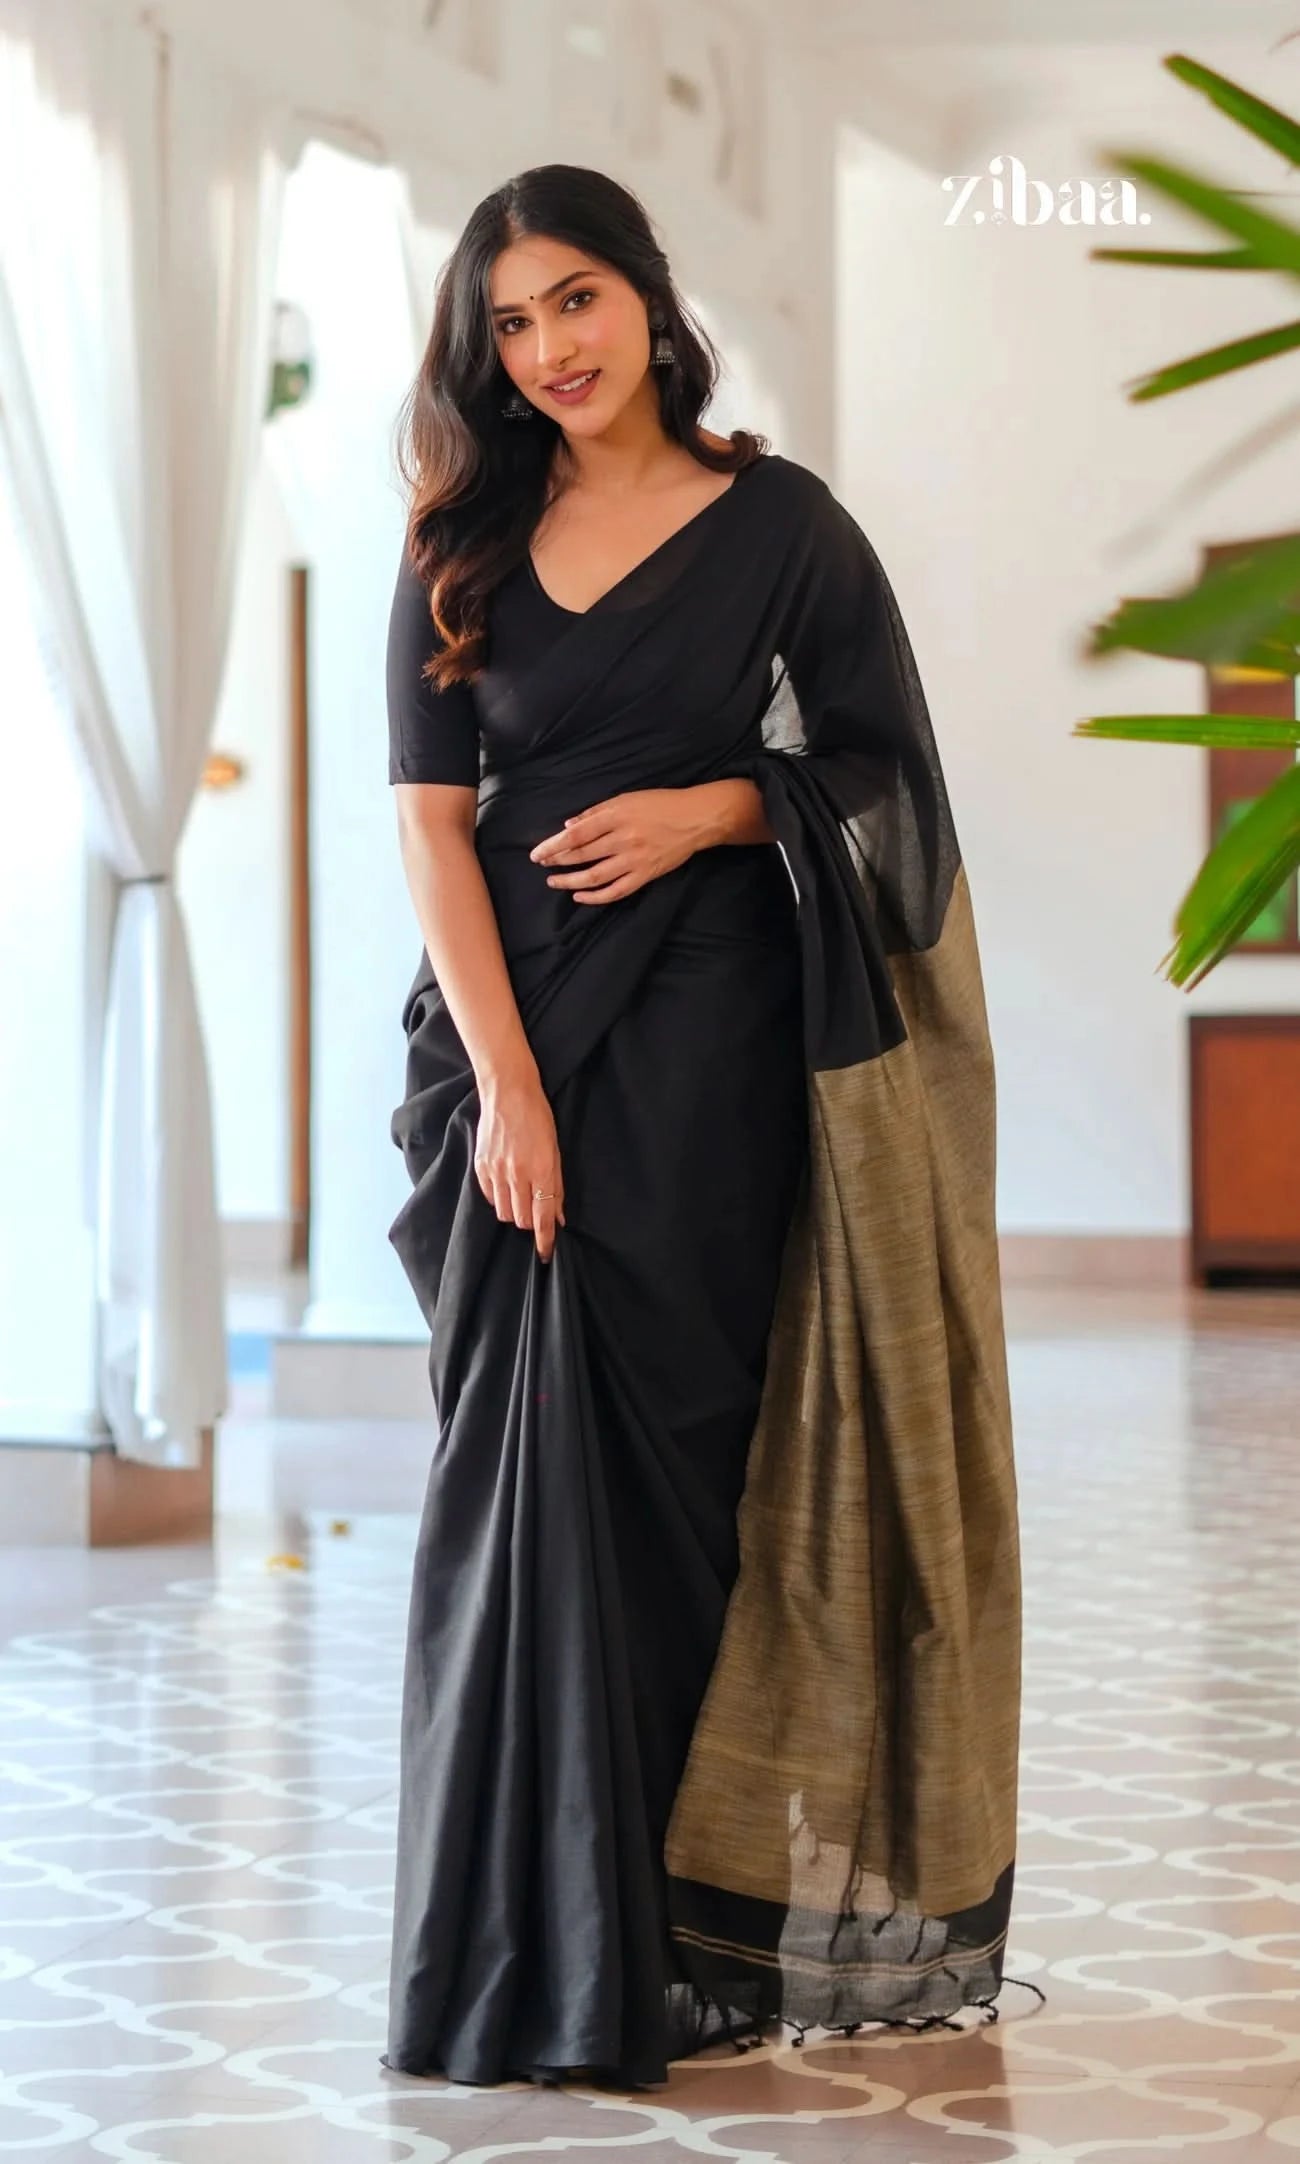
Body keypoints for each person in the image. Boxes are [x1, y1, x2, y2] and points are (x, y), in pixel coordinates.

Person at [381, 162, 1032, 2093]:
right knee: (521, 1493)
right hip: (513, 1047)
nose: (550, 348)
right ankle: (524, 1947)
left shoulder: (786, 530)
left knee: (690, 1472)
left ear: (651, 302)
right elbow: (429, 822)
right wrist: (504, 1080)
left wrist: (720, 808)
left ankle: (679, 1940)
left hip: (713, 1058)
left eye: (576, 300)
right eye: (509, 322)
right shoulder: (459, 539)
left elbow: (891, 784)